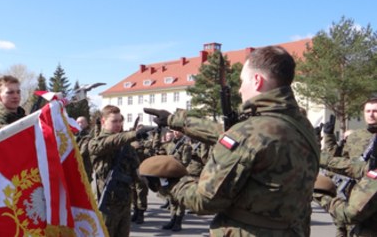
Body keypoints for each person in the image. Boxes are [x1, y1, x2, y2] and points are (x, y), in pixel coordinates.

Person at [146, 46, 320, 236]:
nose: (239, 89)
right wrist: (176, 120)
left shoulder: (249, 133)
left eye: (241, 81)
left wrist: (170, 183)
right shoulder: (303, 127)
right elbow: (234, 136)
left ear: (257, 80)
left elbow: (204, 201)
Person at [87, 105, 145, 237]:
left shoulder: (125, 144)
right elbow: (109, 142)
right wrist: (133, 134)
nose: (118, 124)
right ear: (103, 121)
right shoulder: (96, 143)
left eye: (120, 121)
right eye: (114, 121)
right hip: (106, 203)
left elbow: (136, 169)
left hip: (124, 202)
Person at [75, 116, 94, 182]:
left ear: (86, 123)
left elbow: (83, 152)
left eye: (82, 122)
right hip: (75, 167)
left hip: (85, 168)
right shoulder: (74, 135)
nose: (79, 124)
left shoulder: (89, 136)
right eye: (77, 122)